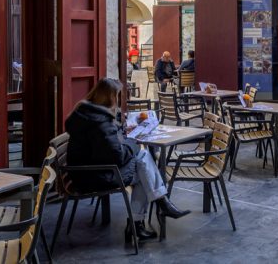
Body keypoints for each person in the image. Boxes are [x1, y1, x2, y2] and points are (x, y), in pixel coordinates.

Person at [64, 78, 189, 242]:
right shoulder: (100, 123)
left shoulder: (86, 114)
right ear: (110, 98)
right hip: (94, 176)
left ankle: (152, 211)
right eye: (117, 95)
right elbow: (118, 156)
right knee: (144, 171)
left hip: (87, 171)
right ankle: (147, 215)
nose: (118, 99)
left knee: (143, 164)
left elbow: (104, 144)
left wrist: (122, 129)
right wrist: (134, 140)